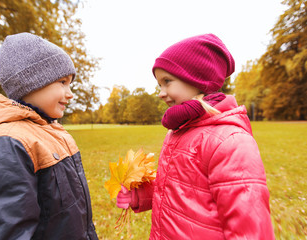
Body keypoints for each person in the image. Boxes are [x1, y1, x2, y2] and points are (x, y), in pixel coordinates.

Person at [116, 33, 275, 239]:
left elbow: (249, 226)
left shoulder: (230, 141)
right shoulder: (179, 130)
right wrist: (138, 194)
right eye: (159, 85)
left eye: (167, 81)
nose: (161, 92)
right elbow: (179, 187)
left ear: (197, 78)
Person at [0, 32, 98, 240]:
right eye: (62, 82)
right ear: (31, 82)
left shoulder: (52, 132)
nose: (70, 93)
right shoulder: (7, 144)